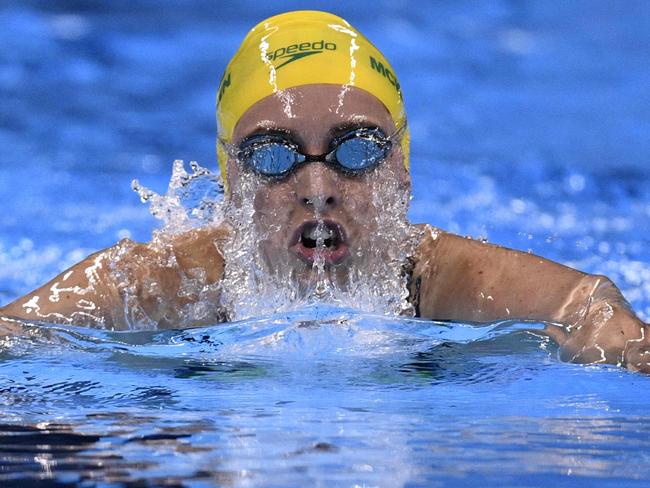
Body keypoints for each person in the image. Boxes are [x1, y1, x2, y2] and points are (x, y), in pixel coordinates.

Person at [1, 10, 648, 372]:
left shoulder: (444, 278)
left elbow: (587, 301)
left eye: (357, 149)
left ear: (402, 171)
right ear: (230, 183)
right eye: (273, 153)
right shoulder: (166, 284)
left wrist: (609, 337)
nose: (316, 188)